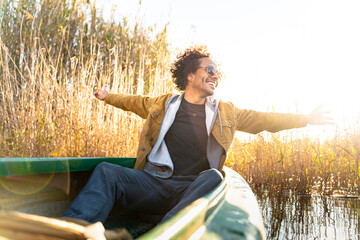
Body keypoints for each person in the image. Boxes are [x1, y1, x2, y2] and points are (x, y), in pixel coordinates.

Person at [63, 46, 332, 225]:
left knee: (215, 176)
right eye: (210, 70)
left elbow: (265, 120)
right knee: (107, 171)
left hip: (193, 190)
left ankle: (167, 229)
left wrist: (305, 119)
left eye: (218, 73)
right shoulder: (163, 104)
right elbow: (132, 101)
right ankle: (73, 228)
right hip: (157, 184)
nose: (215, 76)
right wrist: (107, 96)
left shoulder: (226, 112)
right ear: (190, 75)